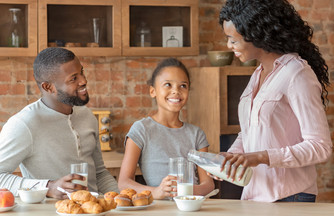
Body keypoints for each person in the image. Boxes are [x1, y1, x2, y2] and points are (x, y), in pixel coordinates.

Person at [214, 0, 333, 202]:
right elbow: (250, 132)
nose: (229, 45)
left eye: (234, 39)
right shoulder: (257, 75)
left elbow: (320, 147)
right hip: (255, 197)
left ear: (257, 35)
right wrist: (232, 157)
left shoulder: (297, 73)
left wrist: (261, 157)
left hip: (290, 197)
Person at [0, 47, 118, 199]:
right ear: (48, 87)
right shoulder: (24, 124)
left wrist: (119, 201)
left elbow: (100, 173)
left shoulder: (87, 116)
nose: (84, 81)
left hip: (94, 210)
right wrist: (48, 187)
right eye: (73, 78)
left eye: (82, 72)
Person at [118, 58, 215, 199]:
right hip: (159, 209)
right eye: (168, 85)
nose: (176, 91)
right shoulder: (141, 130)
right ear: (153, 91)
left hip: (192, 208)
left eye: (183, 86)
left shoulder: (197, 134)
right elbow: (123, 183)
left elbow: (208, 184)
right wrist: (157, 192)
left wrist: (187, 191)